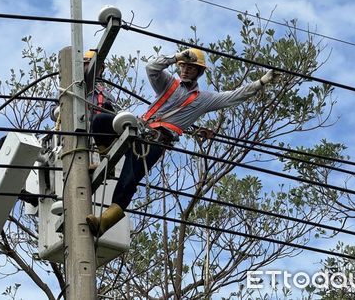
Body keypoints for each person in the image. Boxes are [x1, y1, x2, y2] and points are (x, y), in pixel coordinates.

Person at [86, 48, 277, 236]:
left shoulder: (204, 100)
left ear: (199, 72)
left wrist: (261, 82)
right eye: (183, 66)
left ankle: (104, 222)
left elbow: (234, 96)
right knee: (101, 121)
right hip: (137, 129)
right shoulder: (168, 84)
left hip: (155, 141)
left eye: (191, 68)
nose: (185, 70)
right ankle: (107, 163)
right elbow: (151, 67)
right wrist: (175, 57)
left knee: (129, 179)